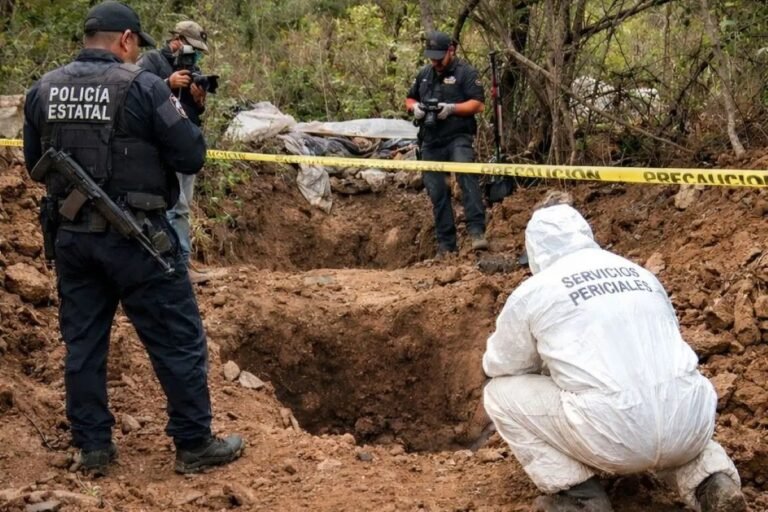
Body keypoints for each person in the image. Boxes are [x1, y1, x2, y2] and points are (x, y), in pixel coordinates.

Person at [23, 0, 243, 475]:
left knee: (83, 345)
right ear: (125, 40)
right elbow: (190, 156)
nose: (136, 52)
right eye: (135, 44)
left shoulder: (43, 88)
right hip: (138, 239)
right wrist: (189, 114)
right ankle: (193, 443)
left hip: (73, 240)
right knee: (178, 338)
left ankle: (93, 448)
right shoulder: (143, 85)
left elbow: (32, 160)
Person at [482, 204, 747, 512]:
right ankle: (711, 481)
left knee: (499, 392)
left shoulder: (535, 291)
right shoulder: (642, 275)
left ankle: (579, 498)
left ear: (535, 250)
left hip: (613, 435)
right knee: (671, 395)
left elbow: (502, 364)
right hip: (691, 420)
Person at [405, 30, 487, 258]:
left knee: (466, 176)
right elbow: (409, 97)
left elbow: (478, 104)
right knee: (437, 191)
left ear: (451, 51)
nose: (436, 63)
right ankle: (446, 244)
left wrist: (451, 108)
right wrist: (415, 108)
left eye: (439, 58)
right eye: (432, 58)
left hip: (458, 136)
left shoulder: (466, 73)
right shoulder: (424, 74)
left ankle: (477, 232)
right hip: (430, 139)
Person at [137, 19, 210, 277]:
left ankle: (181, 262)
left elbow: (192, 111)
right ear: (177, 40)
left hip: (184, 145)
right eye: (193, 48)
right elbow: (137, 93)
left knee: (182, 207)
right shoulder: (151, 61)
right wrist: (167, 83)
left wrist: (199, 100)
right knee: (168, 207)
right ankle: (169, 265)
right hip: (158, 148)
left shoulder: (192, 69)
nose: (196, 54)